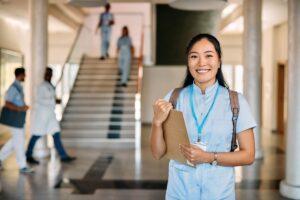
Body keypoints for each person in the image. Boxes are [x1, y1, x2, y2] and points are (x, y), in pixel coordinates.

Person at [150, 33, 256, 199]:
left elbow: (248, 155)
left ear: (219, 61)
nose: (201, 63)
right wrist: (157, 123)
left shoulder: (236, 101)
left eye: (208, 55)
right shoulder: (173, 98)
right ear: (188, 62)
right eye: (194, 56)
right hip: (180, 193)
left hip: (219, 194)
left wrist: (208, 157)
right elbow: (157, 153)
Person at [26, 67, 76, 165]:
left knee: (56, 134)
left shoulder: (50, 85)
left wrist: (55, 100)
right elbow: (39, 100)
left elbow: (50, 98)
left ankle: (63, 156)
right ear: (45, 74)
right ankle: (28, 155)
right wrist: (54, 101)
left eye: (50, 73)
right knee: (36, 135)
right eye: (48, 73)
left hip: (51, 116)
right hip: (42, 116)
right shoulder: (41, 86)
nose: (49, 75)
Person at [0, 68, 34, 173]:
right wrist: (21, 108)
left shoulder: (19, 86)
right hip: (15, 119)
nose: (25, 76)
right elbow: (7, 103)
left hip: (19, 119)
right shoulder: (13, 88)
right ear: (21, 74)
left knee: (15, 141)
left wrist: (23, 106)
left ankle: (0, 158)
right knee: (19, 142)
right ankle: (22, 166)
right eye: (24, 74)